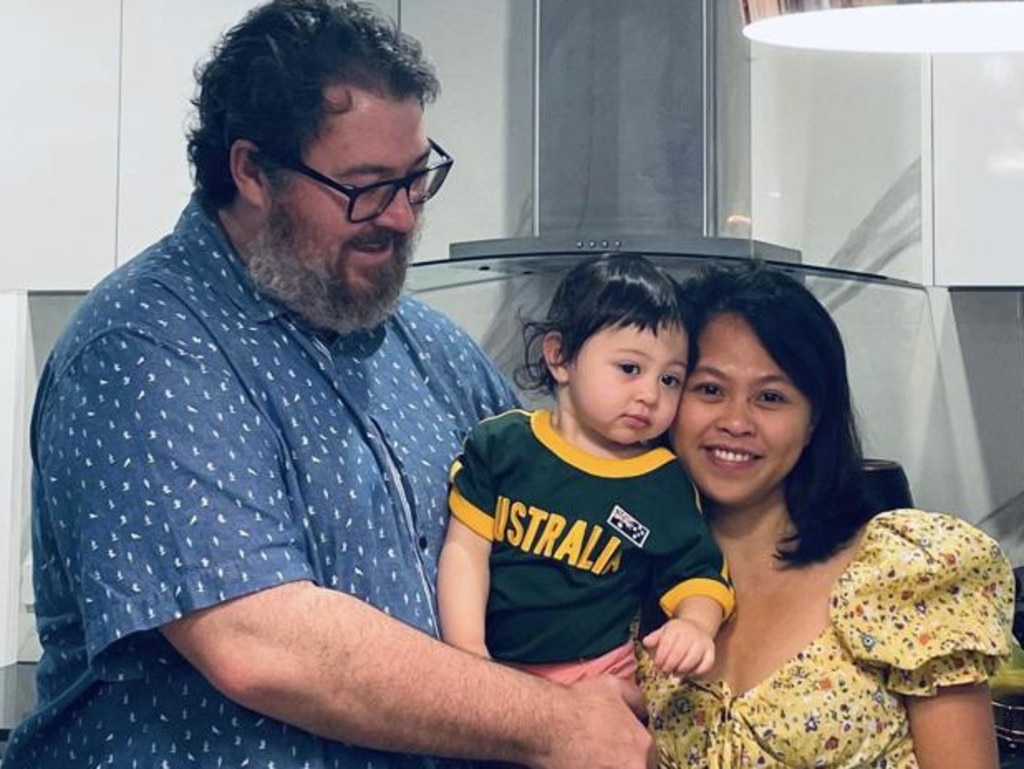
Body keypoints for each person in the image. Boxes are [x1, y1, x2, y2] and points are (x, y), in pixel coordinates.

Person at [2, 2, 655, 768]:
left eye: (417, 179)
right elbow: (261, 641)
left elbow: (546, 532)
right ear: (251, 171)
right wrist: (557, 721)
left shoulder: (436, 351)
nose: (404, 217)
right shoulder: (144, 345)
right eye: (367, 186)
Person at [639, 260, 1014, 769]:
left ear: (813, 420)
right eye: (709, 389)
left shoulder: (902, 572)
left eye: (770, 397)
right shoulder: (627, 577)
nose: (735, 421)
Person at [437, 254, 733, 684]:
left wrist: (696, 626)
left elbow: (699, 575)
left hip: (597, 675)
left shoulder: (662, 482)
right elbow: (464, 552)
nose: (650, 394)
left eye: (669, 379)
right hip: (490, 666)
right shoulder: (503, 445)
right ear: (559, 357)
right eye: (630, 369)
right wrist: (468, 656)